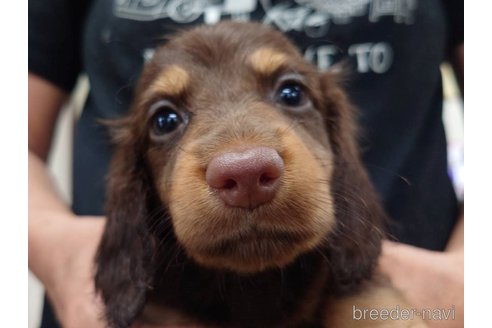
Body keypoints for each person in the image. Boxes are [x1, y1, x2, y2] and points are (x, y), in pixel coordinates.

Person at [28, 1, 463, 327]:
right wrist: (61, 251)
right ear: (136, 179)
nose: (241, 161)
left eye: (291, 95)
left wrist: (470, 269)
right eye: (166, 120)